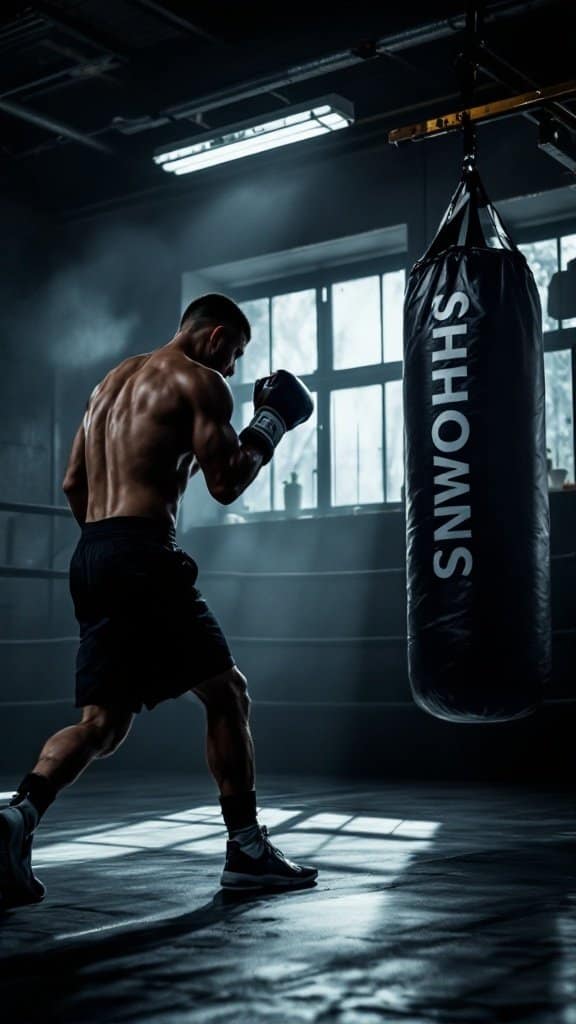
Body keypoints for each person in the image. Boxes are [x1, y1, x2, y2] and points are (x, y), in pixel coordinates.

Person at [0, 293, 318, 908]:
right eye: (236, 353)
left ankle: (18, 816)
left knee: (103, 723)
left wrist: (110, 541)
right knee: (228, 694)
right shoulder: (199, 381)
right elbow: (227, 482)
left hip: (91, 553)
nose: (233, 370)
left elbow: (73, 482)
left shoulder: (108, 385)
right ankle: (248, 851)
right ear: (217, 335)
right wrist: (270, 423)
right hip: (141, 552)